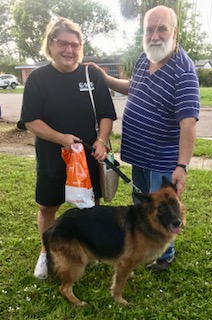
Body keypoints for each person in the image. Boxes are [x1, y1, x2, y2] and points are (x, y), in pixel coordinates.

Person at [90, 5, 200, 272]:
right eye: (149, 29)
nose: (154, 36)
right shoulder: (144, 58)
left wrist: (181, 166)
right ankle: (143, 242)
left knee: (164, 208)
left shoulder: (183, 71)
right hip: (138, 153)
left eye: (162, 29)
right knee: (141, 204)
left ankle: (165, 253)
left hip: (162, 159)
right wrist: (105, 79)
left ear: (175, 32)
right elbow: (133, 86)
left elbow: (188, 123)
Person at [18, 17, 116, 279]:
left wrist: (101, 141)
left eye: (75, 45)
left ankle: (88, 249)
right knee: (48, 208)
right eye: (63, 43)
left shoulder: (91, 74)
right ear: (50, 44)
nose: (69, 50)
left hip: (89, 159)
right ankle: (46, 253)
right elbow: (30, 121)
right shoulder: (38, 79)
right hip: (53, 158)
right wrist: (61, 138)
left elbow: (107, 114)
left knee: (90, 207)